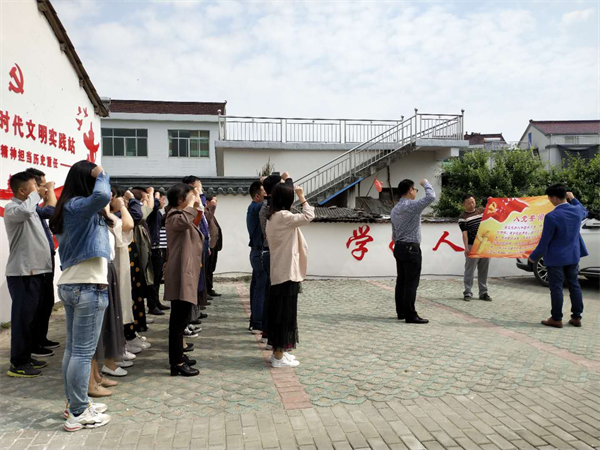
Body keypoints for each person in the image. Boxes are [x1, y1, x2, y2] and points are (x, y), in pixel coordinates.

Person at [49, 161, 112, 431]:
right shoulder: (77, 205)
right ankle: (78, 412)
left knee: (75, 350)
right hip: (87, 287)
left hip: (76, 285)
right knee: (82, 353)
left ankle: (74, 403)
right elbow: (103, 195)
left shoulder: (71, 207)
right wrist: (102, 173)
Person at [4, 171, 54, 378]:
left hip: (38, 271)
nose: (39, 188)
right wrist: (36, 194)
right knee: (22, 320)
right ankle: (18, 364)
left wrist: (40, 195)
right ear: (23, 190)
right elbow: (24, 211)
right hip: (23, 273)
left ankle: (26, 356)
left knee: (32, 318)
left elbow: (48, 211)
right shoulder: (13, 208)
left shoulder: (32, 208)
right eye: (34, 185)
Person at [266, 181, 314, 368]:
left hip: (281, 271)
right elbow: (309, 215)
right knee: (284, 315)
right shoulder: (284, 216)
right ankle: (278, 357)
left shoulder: (274, 216)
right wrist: (302, 197)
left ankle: (280, 352)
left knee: (282, 313)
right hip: (287, 272)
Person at [529, 184, 588, 328]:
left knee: (556, 288)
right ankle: (576, 317)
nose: (550, 201)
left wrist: (533, 256)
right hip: (573, 255)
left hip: (555, 258)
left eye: (550, 198)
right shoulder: (577, 210)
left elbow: (545, 241)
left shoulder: (552, 216)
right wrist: (573, 199)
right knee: (574, 285)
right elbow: (584, 211)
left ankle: (556, 318)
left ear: (554, 198)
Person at [164, 183, 203, 377]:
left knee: (182, 319)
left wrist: (196, 203)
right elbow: (185, 221)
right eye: (189, 195)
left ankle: (179, 356)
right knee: (178, 322)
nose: (193, 197)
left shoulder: (182, 216)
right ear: (180, 200)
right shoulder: (174, 216)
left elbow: (195, 220)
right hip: (179, 274)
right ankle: (176, 363)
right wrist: (192, 204)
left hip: (185, 273)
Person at [391, 179, 436, 324]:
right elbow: (431, 196)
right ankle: (410, 315)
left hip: (399, 247)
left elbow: (394, 233)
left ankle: (401, 312)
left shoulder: (395, 209)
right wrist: (425, 183)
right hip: (411, 248)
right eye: (415, 189)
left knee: (401, 281)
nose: (416, 192)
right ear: (410, 190)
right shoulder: (412, 206)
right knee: (411, 283)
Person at [25, 168, 60, 352]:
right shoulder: (24, 208)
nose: (45, 188)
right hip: (34, 263)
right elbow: (52, 211)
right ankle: (33, 343)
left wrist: (45, 197)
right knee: (38, 304)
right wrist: (51, 190)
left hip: (46, 259)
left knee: (46, 301)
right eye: (42, 185)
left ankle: (41, 338)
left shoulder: (33, 208)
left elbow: (45, 211)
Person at [259, 172, 289, 348]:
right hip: (272, 254)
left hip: (269, 253)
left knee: (270, 295)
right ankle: (272, 336)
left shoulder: (269, 208)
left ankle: (268, 333)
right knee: (275, 297)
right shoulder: (273, 210)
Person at [458, 194, 492, 302]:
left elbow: (491, 214)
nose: (471, 204)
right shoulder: (463, 217)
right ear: (464, 204)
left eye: (473, 202)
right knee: (470, 270)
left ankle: (483, 292)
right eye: (468, 203)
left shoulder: (481, 211)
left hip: (484, 245)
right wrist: (466, 248)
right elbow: (464, 233)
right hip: (472, 245)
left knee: (484, 270)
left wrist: (490, 202)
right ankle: (467, 292)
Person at [247, 180, 267, 333]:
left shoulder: (253, 207)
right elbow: (269, 206)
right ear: (257, 197)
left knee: (256, 287)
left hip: (256, 253)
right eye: (265, 194)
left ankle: (255, 319)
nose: (267, 196)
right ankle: (258, 322)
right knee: (261, 289)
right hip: (259, 253)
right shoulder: (256, 208)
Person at [147, 189, 169, 315]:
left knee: (158, 278)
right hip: (154, 249)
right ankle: (152, 305)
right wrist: (155, 195)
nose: (163, 202)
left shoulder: (159, 213)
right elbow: (154, 207)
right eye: (162, 199)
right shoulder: (153, 211)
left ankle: (156, 302)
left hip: (160, 249)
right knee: (154, 279)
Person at [205, 194, 223, 298]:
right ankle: (206, 290)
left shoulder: (210, 211)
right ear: (207, 202)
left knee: (211, 267)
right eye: (213, 201)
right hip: (209, 244)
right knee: (207, 268)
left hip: (214, 243)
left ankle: (209, 288)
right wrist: (212, 207)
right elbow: (208, 218)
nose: (215, 203)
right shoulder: (205, 211)